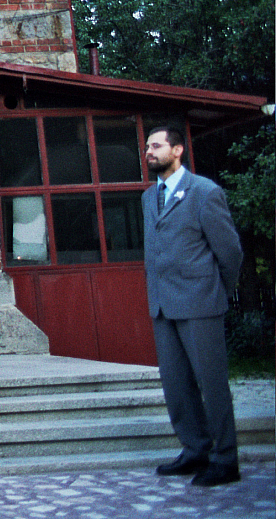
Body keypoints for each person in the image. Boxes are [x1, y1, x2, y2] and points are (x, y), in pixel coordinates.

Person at [142, 126, 243, 487]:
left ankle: (225, 458)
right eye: (147, 146)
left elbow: (230, 253)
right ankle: (195, 449)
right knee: (176, 385)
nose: (149, 151)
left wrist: (215, 291)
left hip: (200, 304)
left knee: (212, 383)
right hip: (163, 307)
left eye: (156, 145)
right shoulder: (147, 197)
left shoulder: (204, 193)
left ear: (178, 150)